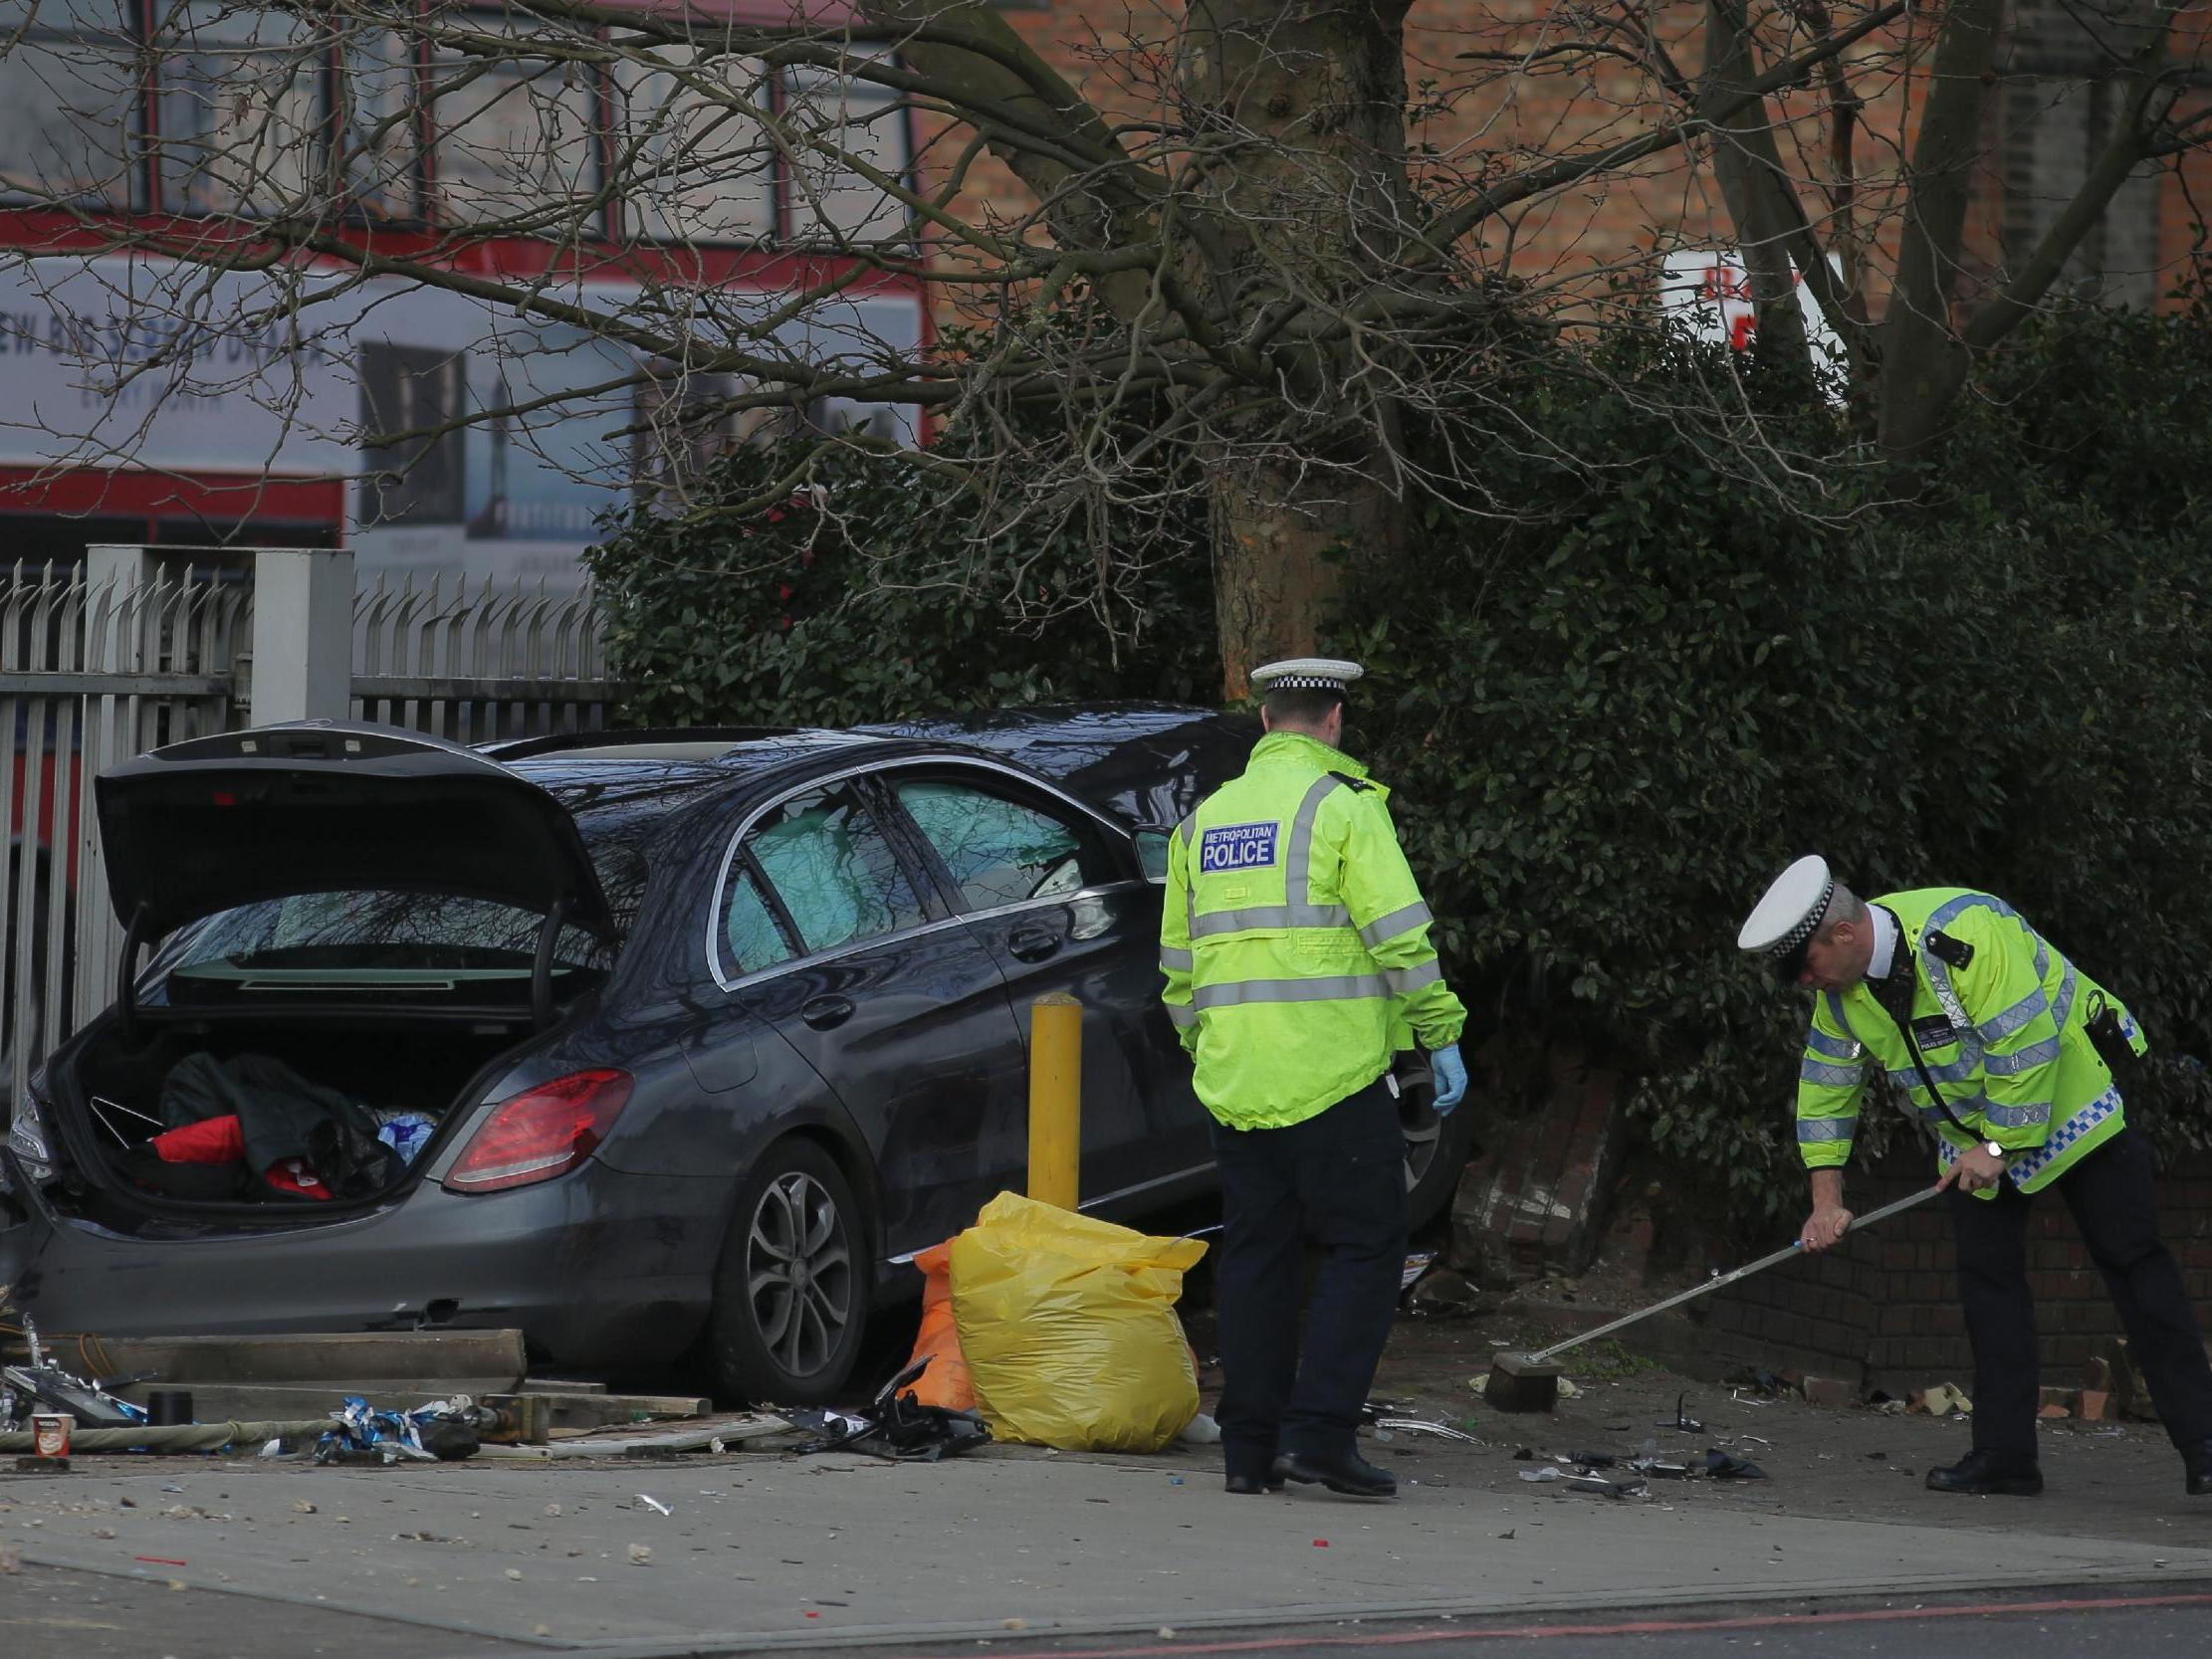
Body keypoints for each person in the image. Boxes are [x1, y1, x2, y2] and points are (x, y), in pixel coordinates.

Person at [1739, 855, 2212, 1498]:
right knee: (1990, 1292)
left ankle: (2205, 1444)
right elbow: (1826, 1090)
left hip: (2074, 1109)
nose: (1802, 982)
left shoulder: (1962, 933)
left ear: (1842, 935)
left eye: (1805, 965)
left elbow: (2028, 1045)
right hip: (1973, 1144)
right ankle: (2006, 1457)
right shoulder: (1840, 998)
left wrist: (1997, 1143)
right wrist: (1826, 1199)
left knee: (2135, 1266)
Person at [1161, 657, 1469, 1499]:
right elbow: (1399, 938)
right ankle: (1322, 1436)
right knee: (1367, 1244)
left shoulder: (1201, 825)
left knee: (1256, 1257)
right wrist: (1439, 1034)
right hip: (1334, 1079)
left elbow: (1178, 978)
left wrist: (1214, 1052)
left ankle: (1248, 1451)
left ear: (1265, 722)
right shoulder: (1344, 808)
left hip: (1236, 1085)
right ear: (1334, 721)